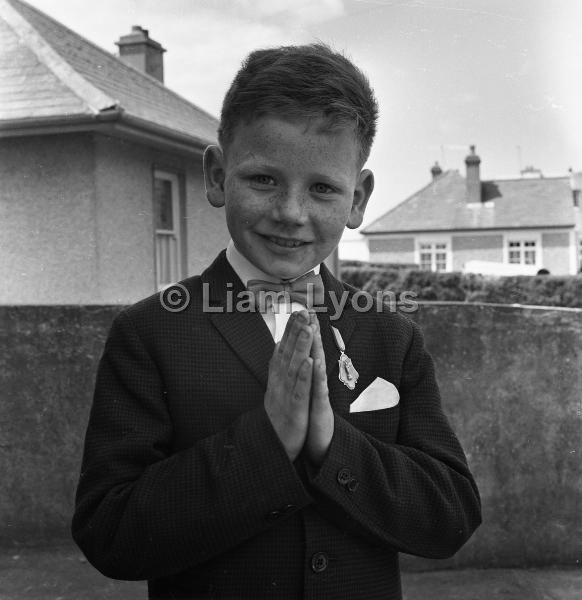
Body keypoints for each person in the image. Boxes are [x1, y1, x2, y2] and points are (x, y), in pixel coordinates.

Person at [72, 43, 481, 599]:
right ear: (217, 176)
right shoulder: (151, 334)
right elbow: (110, 532)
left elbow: (451, 516)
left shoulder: (392, 336)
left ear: (357, 199)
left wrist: (332, 445)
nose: (291, 212)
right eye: (263, 179)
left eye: (322, 188)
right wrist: (267, 445)